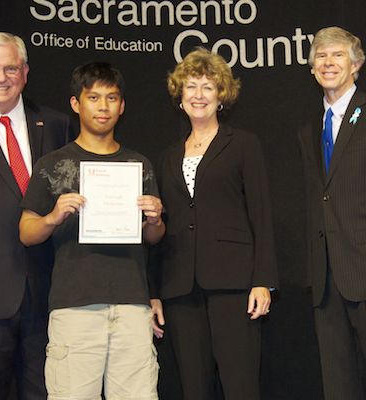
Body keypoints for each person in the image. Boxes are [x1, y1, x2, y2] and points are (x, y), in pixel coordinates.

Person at [19, 62, 165, 399]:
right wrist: (53, 217)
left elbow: (154, 237)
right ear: (75, 104)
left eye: (111, 98)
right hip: (75, 307)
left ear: (122, 106)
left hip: (131, 306)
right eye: (94, 97)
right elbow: (26, 232)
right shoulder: (52, 164)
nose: (103, 107)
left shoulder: (138, 164)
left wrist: (156, 220)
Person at [154, 47, 278, 400]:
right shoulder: (167, 156)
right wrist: (153, 290)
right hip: (180, 286)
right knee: (193, 387)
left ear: (221, 95)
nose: (198, 95)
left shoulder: (243, 145)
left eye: (208, 87)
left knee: (240, 385)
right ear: (180, 95)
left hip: (234, 283)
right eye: (191, 86)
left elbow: (261, 214)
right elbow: (159, 226)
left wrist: (263, 281)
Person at [0, 31, 73, 399]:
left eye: (10, 68)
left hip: (45, 293)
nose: (1, 77)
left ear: (25, 72)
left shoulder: (55, 124)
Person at [298, 26, 366, 400]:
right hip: (326, 279)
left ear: (355, 64)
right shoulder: (309, 130)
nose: (328, 63)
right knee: (338, 384)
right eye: (320, 56)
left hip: (363, 267)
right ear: (311, 69)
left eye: (337, 55)